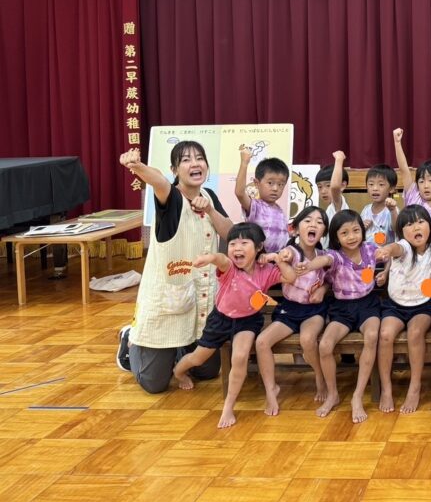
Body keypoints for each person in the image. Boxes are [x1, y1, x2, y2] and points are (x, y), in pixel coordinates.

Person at [117, 143, 232, 392]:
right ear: (175, 170)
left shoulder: (210, 196)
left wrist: (210, 210)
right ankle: (130, 339)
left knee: (208, 371)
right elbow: (158, 180)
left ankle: (180, 350)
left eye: (200, 158)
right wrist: (138, 167)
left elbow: (231, 234)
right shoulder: (170, 197)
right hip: (167, 301)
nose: (195, 164)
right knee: (154, 383)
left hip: (201, 300)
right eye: (186, 160)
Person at [171, 222, 300, 428]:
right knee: (198, 358)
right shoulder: (230, 268)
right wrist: (210, 258)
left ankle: (229, 406)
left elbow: (291, 277)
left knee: (239, 357)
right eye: (232, 244)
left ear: (258, 247)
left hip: (248, 320)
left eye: (244, 243)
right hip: (220, 320)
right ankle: (178, 371)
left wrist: (276, 258)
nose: (237, 248)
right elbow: (221, 259)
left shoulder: (266, 270)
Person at [254, 206, 331, 416]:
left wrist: (323, 290)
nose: (313, 224)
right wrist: (277, 256)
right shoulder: (292, 252)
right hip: (289, 309)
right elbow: (285, 255)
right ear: (295, 229)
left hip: (314, 310)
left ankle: (319, 376)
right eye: (308, 220)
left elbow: (329, 281)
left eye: (319, 222)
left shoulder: (324, 256)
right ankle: (271, 389)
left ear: (324, 231)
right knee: (262, 342)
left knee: (307, 340)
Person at [317, 209, 382, 422]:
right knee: (325, 346)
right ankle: (333, 394)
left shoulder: (370, 249)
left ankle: (357, 396)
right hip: (342, 309)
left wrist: (386, 271)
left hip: (368, 305)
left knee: (372, 336)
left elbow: (391, 254)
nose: (351, 236)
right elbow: (324, 260)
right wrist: (308, 266)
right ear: (336, 237)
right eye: (344, 233)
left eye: (355, 230)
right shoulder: (335, 255)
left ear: (362, 231)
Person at [375, 204, 431, 414]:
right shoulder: (403, 246)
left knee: (415, 333)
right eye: (409, 225)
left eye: (421, 222)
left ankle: (415, 385)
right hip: (395, 305)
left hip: (423, 305)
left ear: (430, 226)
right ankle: (386, 388)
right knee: (385, 335)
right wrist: (386, 250)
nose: (416, 227)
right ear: (402, 232)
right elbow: (396, 248)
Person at [235, 146, 290, 253]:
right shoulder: (255, 206)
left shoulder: (280, 211)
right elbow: (239, 193)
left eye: (280, 184)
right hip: (259, 259)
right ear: (256, 183)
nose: (275, 188)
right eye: (270, 183)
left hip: (278, 260)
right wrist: (244, 163)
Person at [393, 127, 431, 231]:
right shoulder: (414, 195)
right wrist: (397, 142)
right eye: (421, 181)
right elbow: (404, 169)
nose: (426, 186)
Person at [360, 163, 399, 249]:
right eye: (371, 184)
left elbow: (397, 229)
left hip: (385, 254)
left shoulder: (392, 210)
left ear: (391, 188)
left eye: (381, 184)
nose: (375, 188)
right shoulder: (366, 210)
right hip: (366, 252)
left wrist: (393, 211)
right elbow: (359, 234)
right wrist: (361, 228)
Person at [316, 150, 350, 223]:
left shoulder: (338, 204)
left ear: (343, 185)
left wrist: (339, 159)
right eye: (319, 187)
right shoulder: (329, 208)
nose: (323, 191)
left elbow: (335, 187)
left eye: (328, 185)